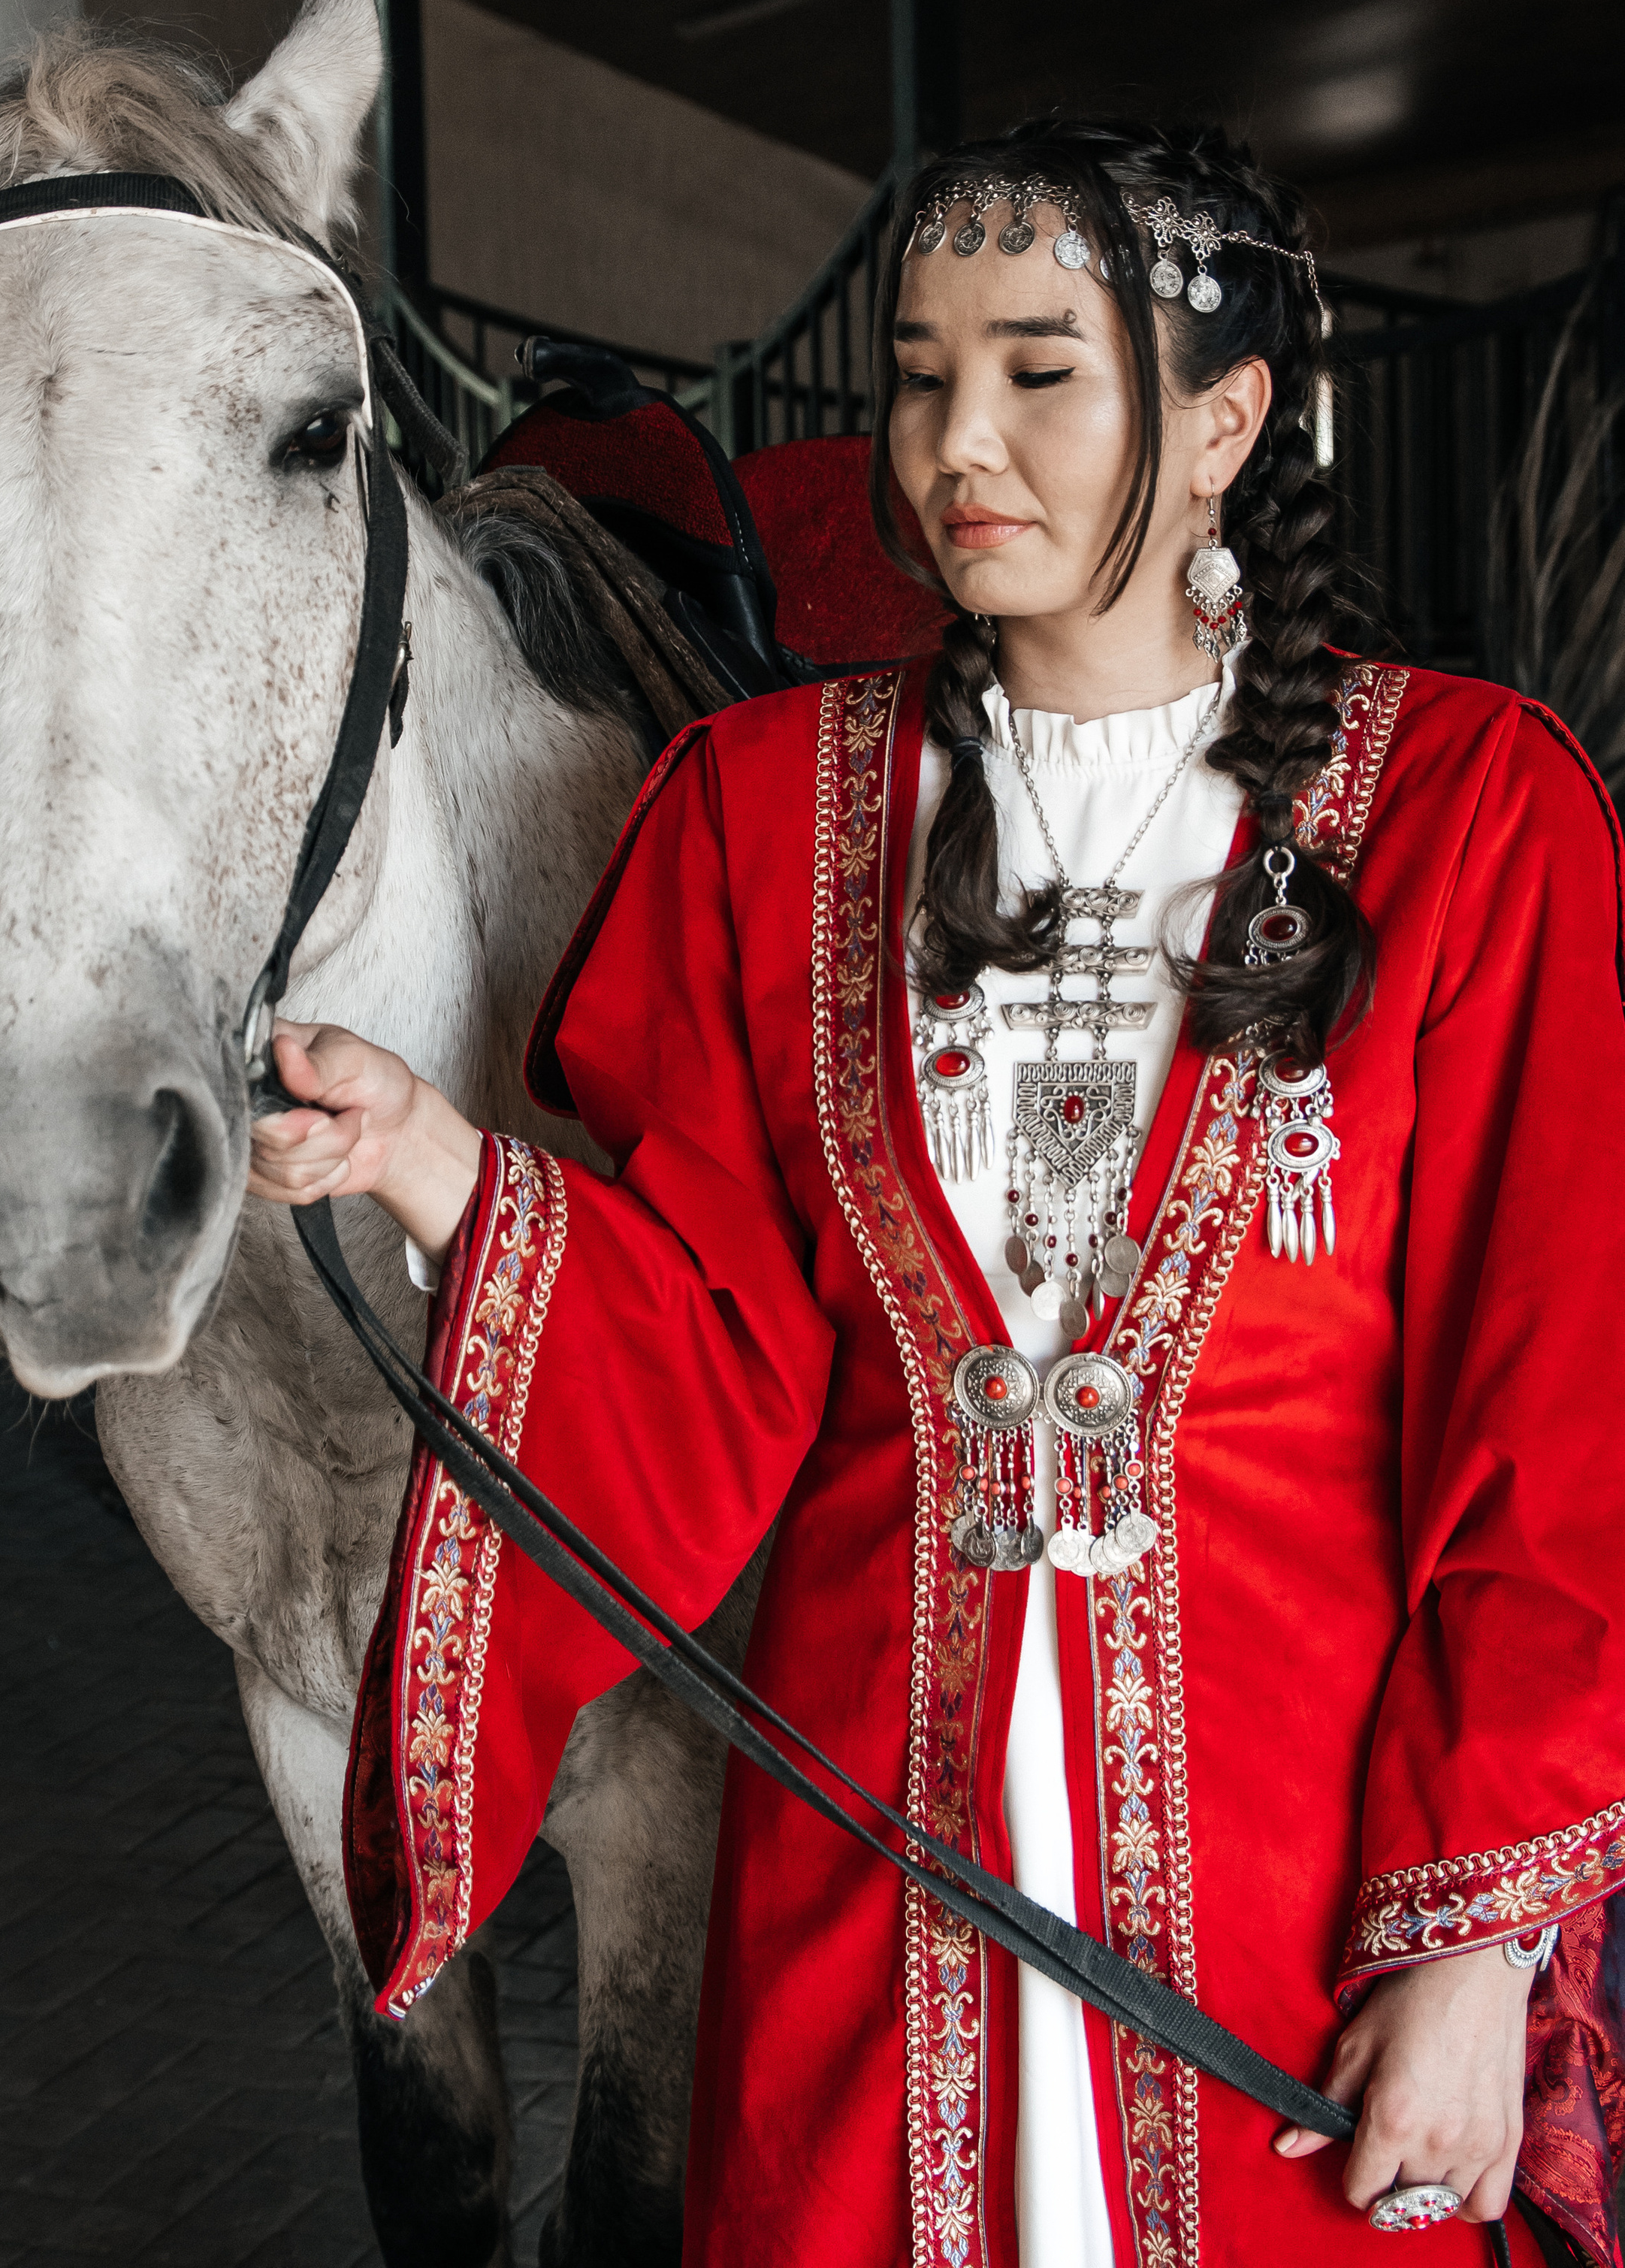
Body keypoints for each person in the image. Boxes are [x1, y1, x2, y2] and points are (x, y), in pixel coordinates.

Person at [247, 119, 1625, 2268]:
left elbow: (1558, 1432)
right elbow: (719, 1358)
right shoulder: (755, 818)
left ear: (1227, 419)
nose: (951, 441)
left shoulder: (1464, 816)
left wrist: (1473, 1952)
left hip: (1297, 1918)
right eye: (914, 370)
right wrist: (432, 1162)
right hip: (868, 1901)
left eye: (1039, 371)